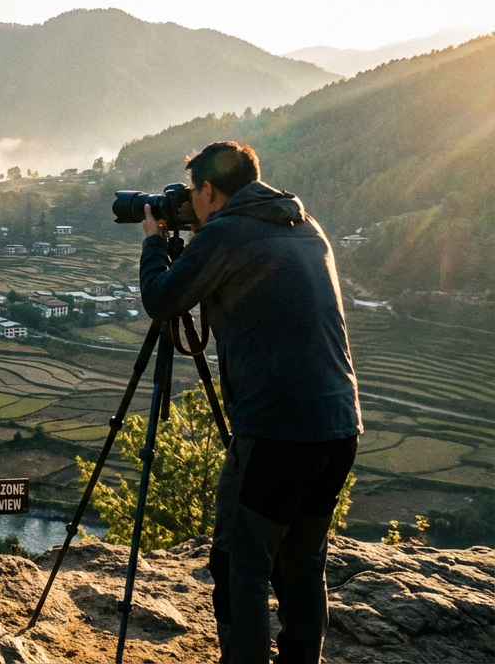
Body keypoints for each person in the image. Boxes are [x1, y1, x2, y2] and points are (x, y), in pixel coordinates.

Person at [138, 141, 362, 664]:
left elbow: (163, 300)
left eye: (193, 193)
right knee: (301, 561)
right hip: (340, 424)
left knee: (241, 563)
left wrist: (154, 244)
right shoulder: (305, 225)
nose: (189, 203)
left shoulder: (225, 233)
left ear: (210, 191)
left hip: (278, 427)